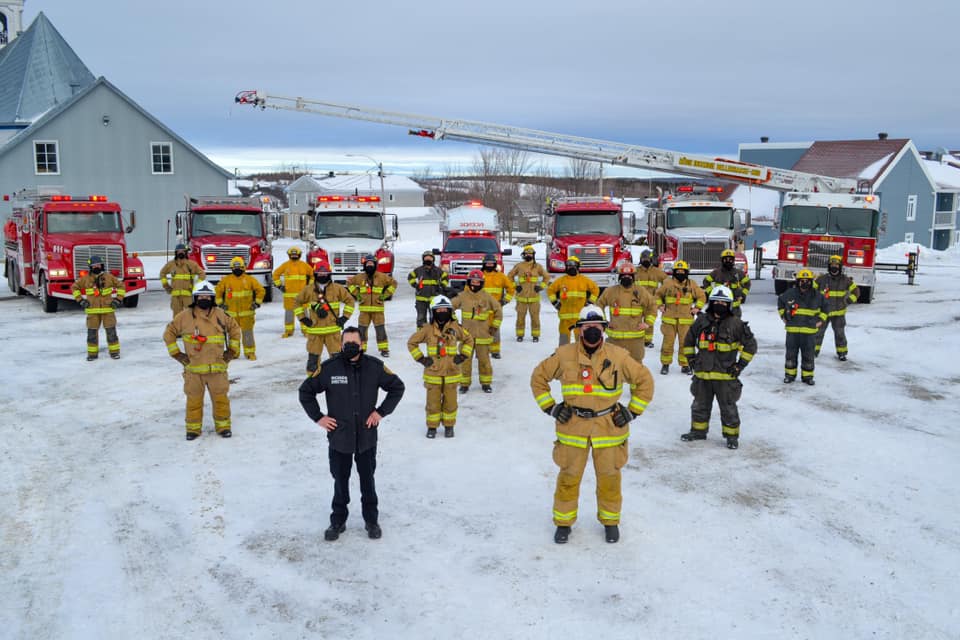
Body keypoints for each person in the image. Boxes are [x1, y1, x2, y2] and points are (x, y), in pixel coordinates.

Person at [530, 305, 654, 544]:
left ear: (604, 329)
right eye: (587, 327)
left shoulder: (618, 356)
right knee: (568, 477)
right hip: (572, 427)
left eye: (596, 327)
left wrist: (632, 412)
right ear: (579, 330)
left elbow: (644, 381)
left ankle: (610, 522)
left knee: (609, 478)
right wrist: (551, 407)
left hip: (609, 428)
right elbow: (538, 378)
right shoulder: (564, 355)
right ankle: (563, 523)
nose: (592, 332)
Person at [299, 327, 405, 541]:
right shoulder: (329, 368)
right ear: (340, 345)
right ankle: (338, 520)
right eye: (346, 343)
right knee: (340, 480)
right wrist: (319, 417)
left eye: (354, 343)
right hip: (340, 437)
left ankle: (371, 520)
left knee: (368, 480)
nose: (349, 346)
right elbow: (305, 391)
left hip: (366, 437)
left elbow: (397, 387)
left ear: (362, 344)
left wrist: (380, 412)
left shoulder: (375, 367)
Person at [680, 285, 757, 450]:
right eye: (716, 302)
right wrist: (691, 360)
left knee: (728, 408)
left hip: (725, 378)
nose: (719, 305)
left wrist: (739, 366)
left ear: (728, 305)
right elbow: (688, 341)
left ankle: (731, 437)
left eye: (724, 302)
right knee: (699, 405)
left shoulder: (736, 324)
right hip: (702, 376)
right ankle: (698, 432)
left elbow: (751, 346)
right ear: (711, 303)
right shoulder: (701, 321)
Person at [163, 280, 242, 440]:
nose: (204, 298)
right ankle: (193, 429)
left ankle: (223, 427)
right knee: (194, 401)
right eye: (201, 296)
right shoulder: (184, 316)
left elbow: (235, 329)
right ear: (195, 297)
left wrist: (232, 351)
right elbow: (169, 333)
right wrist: (177, 354)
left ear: (212, 298)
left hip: (217, 370)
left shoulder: (221, 315)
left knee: (221, 400)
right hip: (194, 370)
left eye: (207, 296)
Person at [407, 296, 474, 438]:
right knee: (433, 403)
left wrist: (463, 356)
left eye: (445, 310)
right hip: (433, 374)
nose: (442, 312)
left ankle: (449, 426)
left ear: (449, 311)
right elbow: (412, 343)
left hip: (452, 373)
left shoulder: (456, 328)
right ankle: (432, 427)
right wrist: (421, 359)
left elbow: (469, 340)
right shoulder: (426, 329)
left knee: (451, 403)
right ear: (433, 312)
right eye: (439, 310)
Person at [294, 259, 354, 375]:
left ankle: (339, 377)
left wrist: (344, 317)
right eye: (320, 273)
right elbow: (297, 302)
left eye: (325, 273)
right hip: (314, 332)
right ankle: (312, 380)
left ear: (329, 274)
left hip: (333, 331)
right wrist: (303, 318)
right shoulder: (308, 289)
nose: (322, 275)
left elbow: (350, 301)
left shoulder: (337, 288)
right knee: (313, 359)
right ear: (315, 274)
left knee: (337, 358)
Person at [596, 261, 657, 363]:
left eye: (629, 275)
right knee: (614, 366)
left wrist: (647, 323)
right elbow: (599, 305)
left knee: (636, 368)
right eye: (624, 275)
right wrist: (603, 322)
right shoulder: (611, 291)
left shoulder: (640, 292)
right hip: (615, 339)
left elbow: (652, 306)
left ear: (633, 277)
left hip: (636, 340)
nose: (626, 278)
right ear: (620, 277)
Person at [452, 270, 501, 393]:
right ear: (469, 282)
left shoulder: (487, 297)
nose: (475, 283)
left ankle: (486, 383)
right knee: (464, 362)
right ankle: (464, 384)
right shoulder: (462, 296)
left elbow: (498, 311)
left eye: (478, 281)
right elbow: (449, 308)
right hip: (466, 337)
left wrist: (494, 326)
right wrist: (455, 324)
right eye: (473, 281)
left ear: (482, 283)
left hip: (483, 337)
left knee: (484, 362)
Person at [654, 261, 705, 375]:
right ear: (674, 272)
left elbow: (702, 296)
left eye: (683, 272)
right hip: (669, 320)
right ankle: (665, 364)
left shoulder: (692, 284)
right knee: (668, 343)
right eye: (678, 271)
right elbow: (657, 295)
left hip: (686, 321)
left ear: (687, 272)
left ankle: (685, 365)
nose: (680, 273)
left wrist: (697, 308)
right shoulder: (667, 283)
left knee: (685, 344)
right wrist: (660, 305)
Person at [777, 269, 828, 385]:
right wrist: (783, 316)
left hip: (809, 332)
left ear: (811, 282)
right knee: (790, 355)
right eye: (802, 281)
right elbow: (780, 302)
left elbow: (826, 307)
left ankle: (807, 377)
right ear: (798, 281)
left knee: (808, 355)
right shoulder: (790, 293)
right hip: (792, 332)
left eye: (807, 281)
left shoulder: (817, 295)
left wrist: (821, 320)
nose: (805, 283)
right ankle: (789, 375)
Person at [71, 255, 125, 360]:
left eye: (98, 265)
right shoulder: (85, 279)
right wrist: (80, 300)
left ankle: (114, 352)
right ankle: (92, 354)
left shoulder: (109, 277)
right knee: (92, 333)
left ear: (102, 265)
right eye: (94, 265)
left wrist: (118, 299)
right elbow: (74, 287)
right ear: (90, 267)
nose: (96, 267)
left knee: (111, 332)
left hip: (108, 310)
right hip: (92, 312)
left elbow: (121, 286)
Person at [215, 256, 266, 360]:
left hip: (247, 313)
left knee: (247, 334)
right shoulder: (226, 280)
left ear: (243, 267)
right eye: (235, 267)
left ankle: (250, 352)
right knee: (233, 334)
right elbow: (217, 292)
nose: (237, 269)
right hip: (231, 315)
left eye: (239, 267)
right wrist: (220, 304)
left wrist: (256, 303)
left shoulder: (250, 280)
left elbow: (261, 291)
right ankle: (234, 353)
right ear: (231, 268)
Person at [347, 254, 398, 357]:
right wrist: (358, 295)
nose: (369, 265)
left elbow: (394, 283)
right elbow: (349, 283)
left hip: (378, 309)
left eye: (371, 263)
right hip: (364, 310)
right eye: (367, 263)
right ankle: (361, 348)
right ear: (364, 265)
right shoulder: (360, 277)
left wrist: (385, 295)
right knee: (361, 330)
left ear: (375, 264)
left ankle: (384, 349)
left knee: (380, 330)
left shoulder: (382, 277)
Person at [814, 255, 860, 361]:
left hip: (839, 314)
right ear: (829, 266)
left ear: (840, 266)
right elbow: (811, 291)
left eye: (836, 265)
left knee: (840, 334)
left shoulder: (845, 280)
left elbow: (856, 291)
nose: (834, 267)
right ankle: (813, 351)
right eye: (832, 265)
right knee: (818, 333)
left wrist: (849, 300)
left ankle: (842, 353)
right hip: (823, 314)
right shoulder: (821, 279)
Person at [547, 255, 599, 346]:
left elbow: (595, 289)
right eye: (569, 265)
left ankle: (581, 353)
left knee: (580, 338)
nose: (571, 267)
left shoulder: (584, 280)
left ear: (578, 266)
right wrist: (555, 303)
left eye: (573, 265)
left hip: (579, 317)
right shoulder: (561, 281)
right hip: (565, 317)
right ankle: (563, 353)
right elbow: (550, 290)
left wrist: (589, 302)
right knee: (564, 337)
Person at [507, 244, 550, 342]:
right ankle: (520, 335)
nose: (528, 255)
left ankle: (535, 336)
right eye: (526, 254)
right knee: (520, 318)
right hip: (521, 298)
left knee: (535, 318)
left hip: (534, 298)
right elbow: (509, 276)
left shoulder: (538, 266)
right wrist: (515, 286)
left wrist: (541, 287)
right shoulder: (519, 266)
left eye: (530, 254)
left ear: (533, 255)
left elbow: (547, 277)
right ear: (523, 255)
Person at [273, 246, 314, 337]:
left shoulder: (304, 265)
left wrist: (310, 286)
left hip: (302, 297)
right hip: (289, 297)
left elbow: (312, 275)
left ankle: (306, 331)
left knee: (304, 314)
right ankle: (288, 331)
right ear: (289, 255)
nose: (294, 256)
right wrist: (279, 285)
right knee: (289, 315)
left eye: (296, 255)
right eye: (292, 255)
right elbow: (275, 274)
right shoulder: (285, 265)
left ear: (299, 255)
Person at [480, 253, 515, 358]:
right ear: (484, 264)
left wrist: (505, 301)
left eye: (491, 263)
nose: (489, 265)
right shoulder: (478, 275)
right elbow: (468, 289)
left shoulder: (501, 276)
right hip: (481, 309)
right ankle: (481, 351)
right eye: (487, 263)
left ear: (495, 264)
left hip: (496, 310)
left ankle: (495, 351)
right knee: (481, 331)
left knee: (495, 330)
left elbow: (511, 289)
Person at [159, 243, 205, 318]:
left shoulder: (191, 264)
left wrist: (196, 287)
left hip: (188, 296)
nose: (180, 253)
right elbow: (162, 273)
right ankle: (177, 329)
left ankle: (190, 329)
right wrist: (166, 285)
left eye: (182, 251)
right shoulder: (171, 264)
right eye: (178, 251)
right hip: (175, 297)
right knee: (177, 317)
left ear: (186, 252)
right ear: (176, 253)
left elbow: (202, 274)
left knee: (190, 316)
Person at [702, 249, 751, 317]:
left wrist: (743, 294)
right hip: (719, 308)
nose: (728, 261)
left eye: (730, 259)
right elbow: (706, 281)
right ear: (722, 260)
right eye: (725, 259)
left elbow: (747, 283)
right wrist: (711, 292)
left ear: (733, 260)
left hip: (734, 309)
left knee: (734, 325)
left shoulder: (738, 273)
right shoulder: (716, 273)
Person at [407, 250, 450, 328]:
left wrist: (442, 286)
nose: (428, 260)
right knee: (421, 318)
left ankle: (433, 335)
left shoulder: (437, 270)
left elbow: (446, 277)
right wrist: (415, 285)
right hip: (421, 300)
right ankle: (421, 335)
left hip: (434, 300)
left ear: (433, 259)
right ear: (423, 259)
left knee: (434, 318)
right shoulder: (419, 270)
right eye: (426, 258)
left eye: (430, 258)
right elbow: (410, 277)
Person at [635, 249, 667, 347]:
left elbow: (667, 281)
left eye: (648, 258)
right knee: (636, 320)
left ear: (652, 259)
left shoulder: (657, 272)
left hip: (651, 302)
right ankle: (637, 339)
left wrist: (662, 294)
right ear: (640, 259)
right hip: (637, 301)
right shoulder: (636, 271)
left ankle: (647, 341)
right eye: (644, 258)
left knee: (649, 321)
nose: (646, 260)